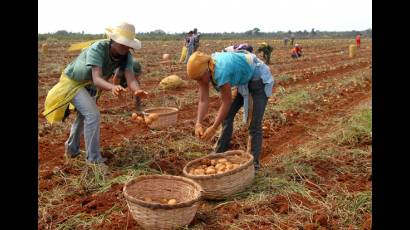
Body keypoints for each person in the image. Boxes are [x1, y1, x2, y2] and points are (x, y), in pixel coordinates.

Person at [43, 22, 148, 164]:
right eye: (123, 43)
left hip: (89, 85)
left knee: (83, 116)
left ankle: (71, 149)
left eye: (128, 44)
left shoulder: (126, 56)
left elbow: (130, 78)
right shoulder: (98, 48)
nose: (125, 47)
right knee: (93, 115)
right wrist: (112, 87)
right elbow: (97, 78)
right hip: (73, 83)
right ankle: (94, 160)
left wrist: (137, 90)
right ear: (113, 40)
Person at [186, 51, 275, 171]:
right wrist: (198, 123)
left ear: (207, 70)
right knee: (226, 116)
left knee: (254, 125)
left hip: (258, 79)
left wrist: (213, 127)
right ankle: (218, 154)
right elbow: (203, 100)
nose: (200, 82)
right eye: (196, 79)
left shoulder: (220, 71)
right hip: (243, 81)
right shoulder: (206, 71)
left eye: (200, 78)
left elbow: (226, 102)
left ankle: (254, 167)